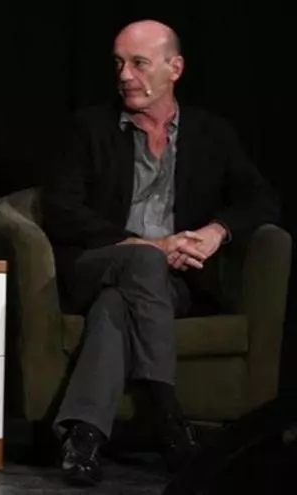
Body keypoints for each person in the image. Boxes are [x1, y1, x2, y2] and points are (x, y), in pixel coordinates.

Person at [41, 19, 280, 486]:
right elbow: (61, 208)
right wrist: (149, 245)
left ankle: (84, 434)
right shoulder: (89, 127)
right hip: (100, 264)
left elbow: (262, 199)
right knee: (142, 263)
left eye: (138, 63)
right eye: (118, 64)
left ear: (175, 68)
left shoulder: (211, 133)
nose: (125, 75)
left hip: (174, 282)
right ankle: (167, 413)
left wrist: (216, 231)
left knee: (116, 307)